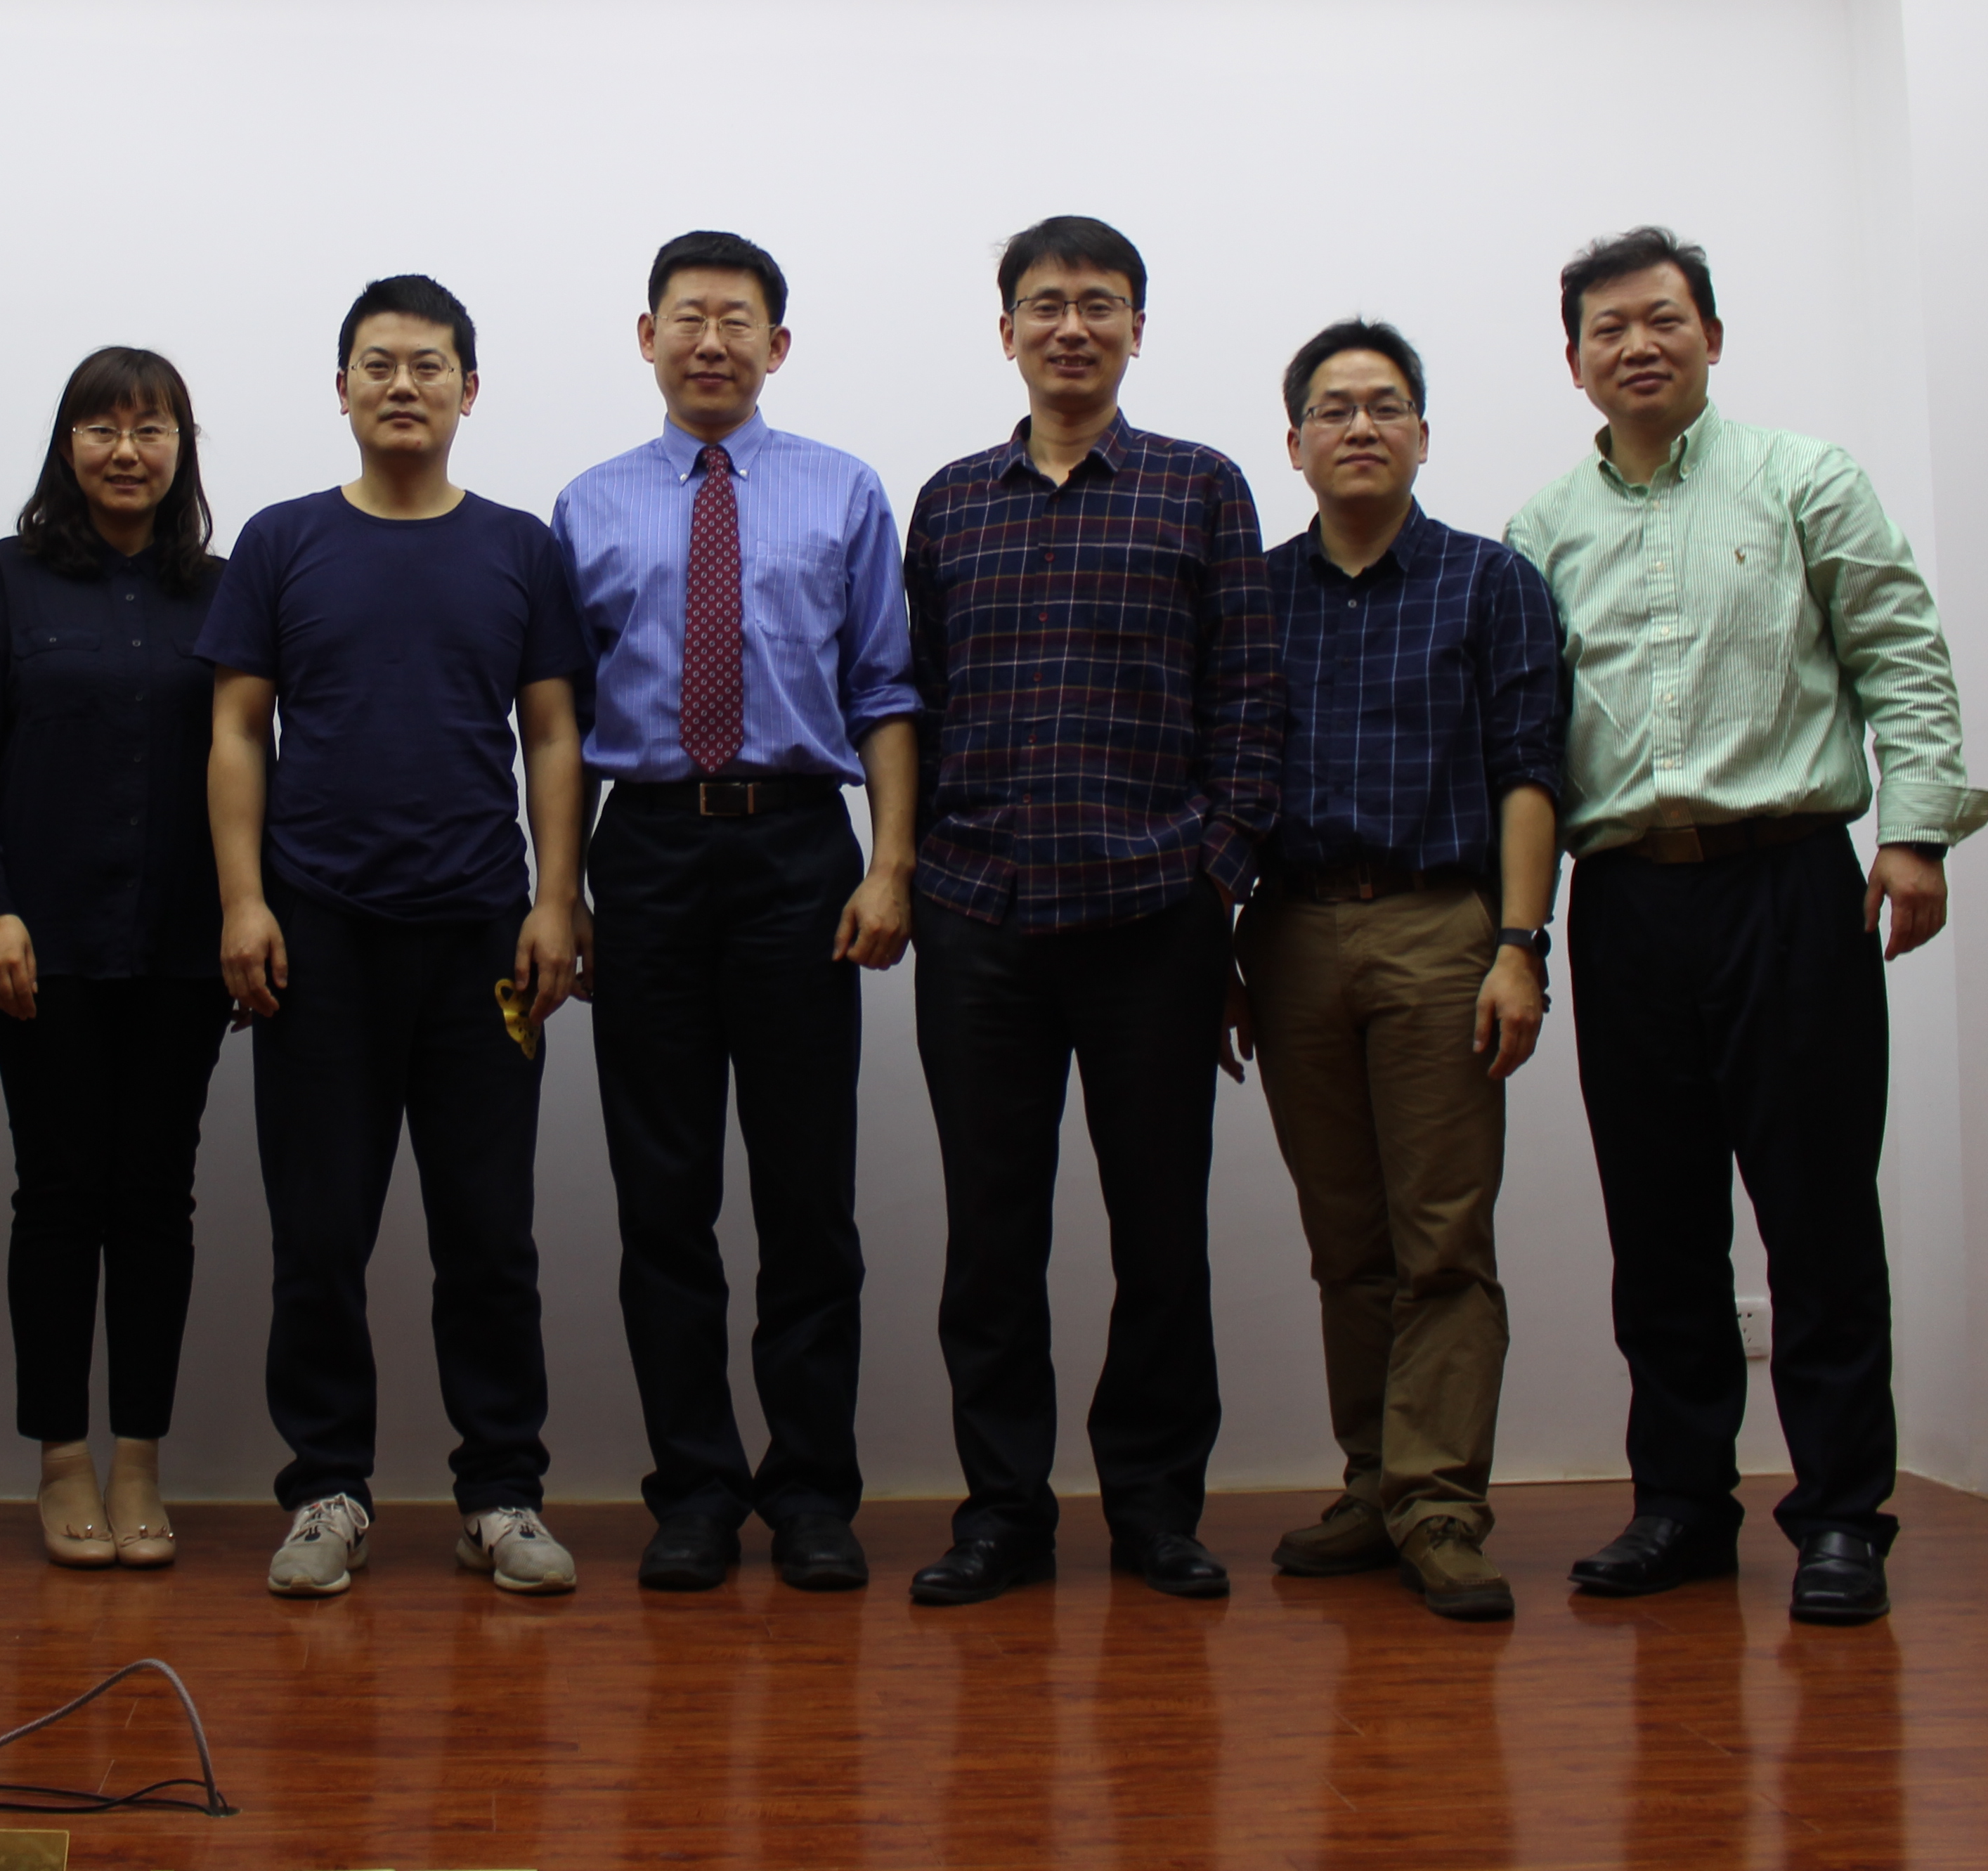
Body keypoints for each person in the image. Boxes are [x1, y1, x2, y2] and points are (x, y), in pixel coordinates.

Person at [1505, 226, 1988, 1629]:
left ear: (1711, 337)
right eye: (1607, 328)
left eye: (1663, 320)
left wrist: (1914, 831)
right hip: (1628, 901)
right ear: (1573, 361)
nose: (1637, 345)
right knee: (1658, 1221)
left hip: (1791, 886)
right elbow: (1524, 739)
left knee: (1819, 1213)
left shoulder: (1803, 479)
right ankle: (1681, 1505)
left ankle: (1841, 1517)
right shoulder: (1541, 531)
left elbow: (1901, 651)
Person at [897, 214, 1280, 1607]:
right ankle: (1002, 1514)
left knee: (1160, 1235)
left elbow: (1249, 702)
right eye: (1047, 303)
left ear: (1136, 328)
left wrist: (1212, 873)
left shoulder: (1202, 487)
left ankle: (1155, 1512)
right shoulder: (951, 501)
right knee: (991, 1239)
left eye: (1100, 303)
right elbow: (914, 701)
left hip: (1151, 918)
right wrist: (923, 867)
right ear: (1006, 330)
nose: (1073, 326)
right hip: (981, 917)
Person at [198, 274, 593, 1599]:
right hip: (317, 937)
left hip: (482, 937)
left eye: (429, 365)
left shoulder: (519, 547)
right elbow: (237, 728)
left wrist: (555, 899)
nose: (404, 385)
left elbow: (553, 734)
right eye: (379, 363)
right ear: (343, 388)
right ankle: (328, 1490)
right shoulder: (282, 541)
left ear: (469, 390)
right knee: (318, 1238)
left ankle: (502, 1495)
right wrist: (243, 900)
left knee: (490, 1238)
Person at [551, 231, 923, 1595]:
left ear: (779, 344)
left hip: (798, 852)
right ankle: (697, 1492)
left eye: (738, 319)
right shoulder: (587, 505)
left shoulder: (843, 490)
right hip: (647, 850)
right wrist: (560, 890)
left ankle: (813, 1492)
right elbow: (557, 720)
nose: (712, 341)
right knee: (664, 1198)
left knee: (808, 1196)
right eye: (688, 317)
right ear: (647, 336)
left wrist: (889, 864)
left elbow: (885, 689)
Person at [1233, 318, 1564, 1624]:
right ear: (1296, 443)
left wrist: (1520, 946)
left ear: (1423, 433)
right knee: (1347, 1239)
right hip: (1292, 932)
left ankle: (1440, 1505)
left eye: (1385, 405)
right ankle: (1375, 1483)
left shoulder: (1491, 582)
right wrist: (1220, 951)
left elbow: (1529, 769)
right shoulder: (1253, 592)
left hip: (1440, 929)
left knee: (1443, 1235)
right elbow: (1223, 778)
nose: (1360, 426)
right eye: (1334, 408)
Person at [0, 347, 230, 1571]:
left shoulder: (221, 591)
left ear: (181, 450)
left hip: (185, 944)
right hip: (39, 946)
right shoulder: (6, 580)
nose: (126, 450)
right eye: (102, 428)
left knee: (157, 1200)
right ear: (68, 446)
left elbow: (255, 757)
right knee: (58, 1197)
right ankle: (62, 1459)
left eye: (151, 429)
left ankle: (141, 1457)